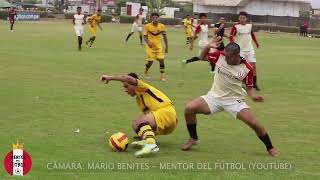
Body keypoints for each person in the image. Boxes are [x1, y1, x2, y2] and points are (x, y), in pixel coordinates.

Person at [180, 36, 280, 157]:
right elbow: (202, 57)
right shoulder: (220, 55)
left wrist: (253, 96)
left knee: (254, 123)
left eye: (228, 57)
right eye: (225, 55)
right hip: (214, 97)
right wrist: (207, 46)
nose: (225, 58)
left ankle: (270, 147)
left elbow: (249, 88)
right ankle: (193, 138)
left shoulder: (247, 68)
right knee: (189, 108)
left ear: (236, 55)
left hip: (234, 101)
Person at [100, 73, 177, 157]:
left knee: (140, 121)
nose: (125, 90)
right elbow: (148, 121)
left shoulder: (142, 87)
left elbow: (127, 78)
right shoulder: (139, 99)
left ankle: (151, 145)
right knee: (135, 124)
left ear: (133, 84)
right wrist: (142, 134)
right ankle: (146, 140)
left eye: (126, 86)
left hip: (167, 113)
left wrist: (110, 77)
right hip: (166, 124)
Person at [230, 11, 261, 91]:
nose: (242, 19)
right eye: (240, 18)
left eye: (243, 18)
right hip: (240, 51)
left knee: (253, 66)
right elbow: (231, 36)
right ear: (238, 18)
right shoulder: (236, 27)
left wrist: (256, 43)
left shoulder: (249, 26)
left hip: (250, 49)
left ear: (246, 19)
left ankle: (254, 84)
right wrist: (233, 45)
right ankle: (241, 84)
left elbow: (252, 34)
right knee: (241, 67)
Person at [143, 13, 168, 81]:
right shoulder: (147, 26)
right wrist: (148, 43)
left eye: (156, 17)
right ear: (151, 18)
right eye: (153, 17)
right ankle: (145, 72)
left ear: (158, 18)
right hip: (150, 47)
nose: (155, 19)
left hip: (159, 46)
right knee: (150, 62)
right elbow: (145, 36)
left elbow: (165, 36)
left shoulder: (162, 26)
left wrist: (166, 46)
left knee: (162, 60)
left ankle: (162, 77)